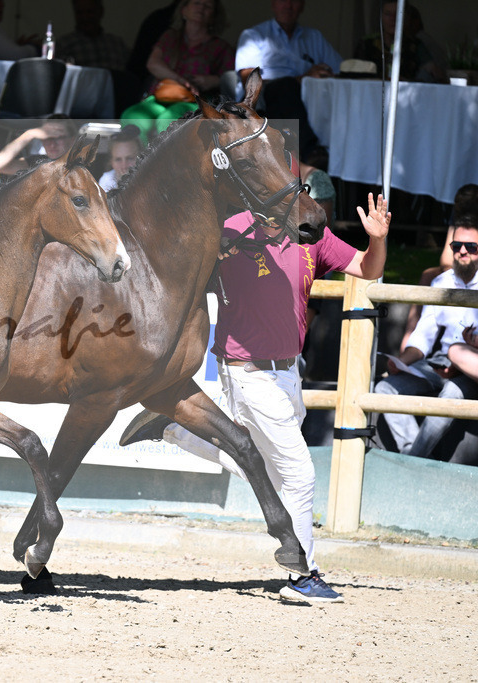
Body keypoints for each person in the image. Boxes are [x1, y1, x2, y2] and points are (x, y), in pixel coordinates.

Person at [121, 192, 392, 604]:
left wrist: (378, 239)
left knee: (269, 471)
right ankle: (303, 575)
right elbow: (171, 265)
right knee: (299, 475)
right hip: (246, 371)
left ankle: (177, 430)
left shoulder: (311, 236)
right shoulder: (229, 228)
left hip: (289, 371)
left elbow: (366, 268)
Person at [375, 218, 478, 459]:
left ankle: (412, 461)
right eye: (457, 246)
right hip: (439, 363)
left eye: (471, 246)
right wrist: (401, 362)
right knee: (384, 388)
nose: (462, 251)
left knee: (451, 395)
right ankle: (417, 454)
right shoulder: (440, 282)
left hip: (470, 368)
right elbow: (423, 336)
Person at [235, 0, 341, 163]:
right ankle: (311, 152)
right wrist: (301, 79)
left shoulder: (314, 37)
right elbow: (249, 82)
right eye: (282, 0)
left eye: (295, 1)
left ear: (303, 6)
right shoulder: (254, 35)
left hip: (310, 101)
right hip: (264, 99)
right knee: (285, 86)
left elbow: (339, 70)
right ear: (273, 4)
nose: (288, 5)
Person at [121, 0, 233, 145]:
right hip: (162, 96)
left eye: (208, 6)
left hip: (196, 101)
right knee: (133, 116)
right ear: (183, 10)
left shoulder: (221, 47)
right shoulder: (170, 37)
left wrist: (212, 80)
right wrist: (180, 80)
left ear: (214, 16)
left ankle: (167, 166)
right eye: (197, 3)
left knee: (169, 119)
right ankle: (139, 165)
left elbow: (230, 79)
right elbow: (153, 64)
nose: (201, 8)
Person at [401, 184, 478, 350]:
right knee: (429, 276)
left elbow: (446, 262)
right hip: (458, 268)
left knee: (432, 277)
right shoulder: (457, 220)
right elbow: (445, 260)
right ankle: (410, 334)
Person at [353, 1, 446, 83]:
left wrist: (408, 82)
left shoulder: (415, 45)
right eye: (388, 14)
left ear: (406, 17)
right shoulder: (366, 43)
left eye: (398, 13)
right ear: (381, 17)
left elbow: (436, 75)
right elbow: (353, 76)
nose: (393, 19)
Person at [0, 115, 78, 176]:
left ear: (72, 140)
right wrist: (29, 134)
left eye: (58, 138)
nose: (52, 145)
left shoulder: (83, 162)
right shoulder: (38, 162)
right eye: (47, 138)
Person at [56, 0, 130, 72]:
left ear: (101, 11)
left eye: (90, 12)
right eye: (80, 13)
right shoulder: (64, 45)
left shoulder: (117, 44)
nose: (85, 17)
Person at [98, 126, 141, 191]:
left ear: (141, 158)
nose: (124, 166)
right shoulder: (106, 180)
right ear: (111, 161)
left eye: (130, 158)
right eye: (118, 159)